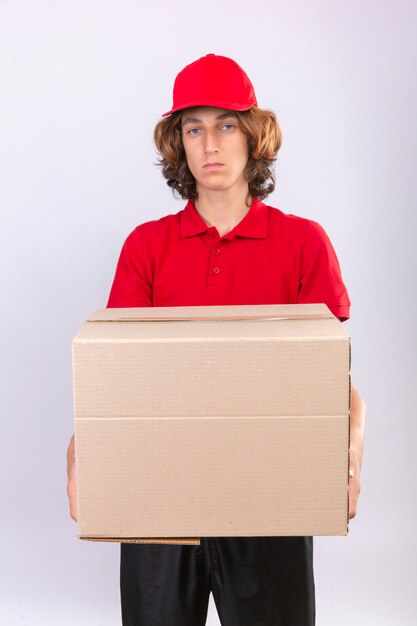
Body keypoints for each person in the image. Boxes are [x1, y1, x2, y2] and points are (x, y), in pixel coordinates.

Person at [67, 53, 366, 626]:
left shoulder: (303, 243)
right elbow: (117, 380)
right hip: (161, 500)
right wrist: (82, 453)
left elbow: (332, 377)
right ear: (178, 143)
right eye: (194, 128)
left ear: (253, 135)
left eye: (226, 124)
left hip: (270, 495)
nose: (211, 143)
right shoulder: (147, 246)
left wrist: (351, 447)